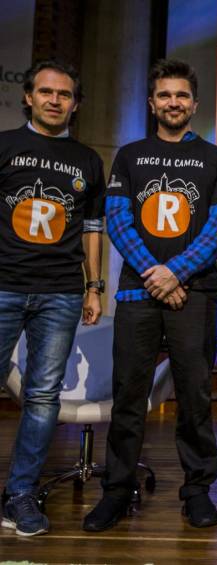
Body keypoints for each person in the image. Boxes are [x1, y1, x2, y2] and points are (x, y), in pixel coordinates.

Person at [83, 59, 217, 532]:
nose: (174, 103)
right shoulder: (129, 155)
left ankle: (196, 491)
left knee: (193, 397)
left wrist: (176, 273)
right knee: (130, 395)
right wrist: (158, 275)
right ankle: (116, 490)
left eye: (182, 95)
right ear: (152, 103)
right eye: (165, 95)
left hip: (196, 293)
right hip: (138, 294)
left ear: (194, 103)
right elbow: (118, 220)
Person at [0, 60, 105, 537]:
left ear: (75, 104)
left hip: (61, 292)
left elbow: (92, 229)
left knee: (42, 397)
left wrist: (94, 287)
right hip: (2, 285)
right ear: (28, 96)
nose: (54, 100)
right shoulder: (4, 145)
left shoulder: (87, 160)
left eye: (64, 94)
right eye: (46, 92)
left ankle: (20, 494)